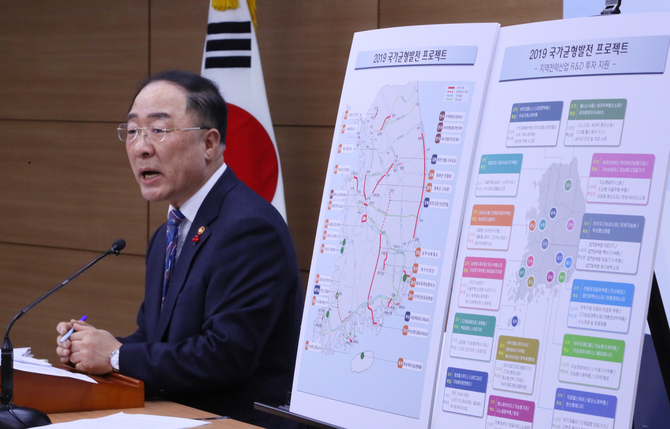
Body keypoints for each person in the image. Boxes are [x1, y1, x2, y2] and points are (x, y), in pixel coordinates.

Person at [56, 70, 303, 428]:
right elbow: (155, 339)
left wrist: (116, 356)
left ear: (209, 143)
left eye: (158, 130)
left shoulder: (249, 228)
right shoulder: (168, 233)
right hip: (174, 416)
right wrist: (91, 348)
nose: (141, 147)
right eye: (133, 131)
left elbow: (225, 357)